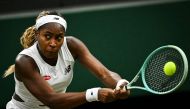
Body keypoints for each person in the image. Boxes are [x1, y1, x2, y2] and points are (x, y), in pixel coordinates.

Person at [4, 10, 130, 109]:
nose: (53, 43)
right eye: (47, 36)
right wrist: (94, 94)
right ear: (37, 35)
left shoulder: (72, 45)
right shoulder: (25, 61)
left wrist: (118, 83)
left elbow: (104, 74)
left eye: (59, 37)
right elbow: (52, 100)